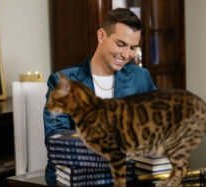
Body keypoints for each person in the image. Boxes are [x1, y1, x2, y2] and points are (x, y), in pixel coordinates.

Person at [43, 8, 157, 186]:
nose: (127, 55)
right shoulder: (62, 82)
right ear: (101, 36)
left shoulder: (141, 78)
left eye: (133, 48)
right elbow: (56, 139)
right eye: (121, 44)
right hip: (77, 180)